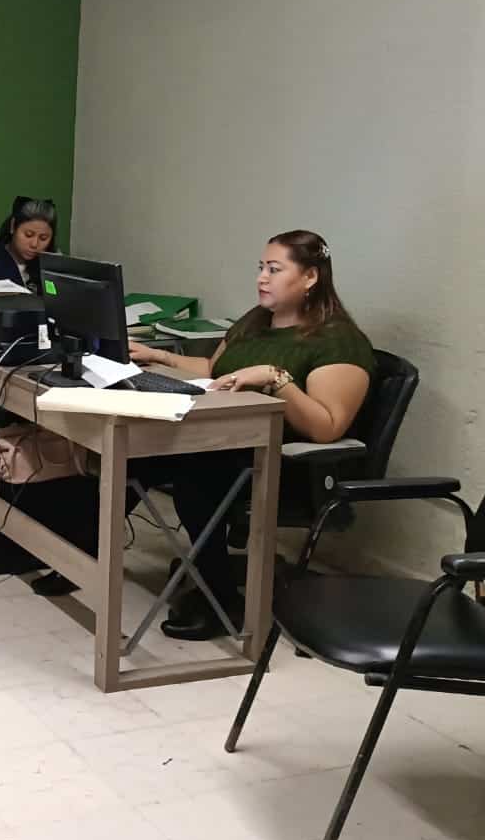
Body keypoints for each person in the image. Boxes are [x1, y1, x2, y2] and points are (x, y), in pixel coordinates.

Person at [127, 229, 374, 639]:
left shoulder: (339, 342)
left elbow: (327, 426)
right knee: (135, 451)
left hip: (286, 463)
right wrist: (157, 356)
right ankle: (78, 552)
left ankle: (219, 600)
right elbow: (215, 372)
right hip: (228, 442)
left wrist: (275, 378)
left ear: (310, 277)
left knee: (195, 471)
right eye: (261, 268)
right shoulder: (256, 321)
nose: (262, 278)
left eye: (275, 269)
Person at [0, 196, 58, 292]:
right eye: (28, 235)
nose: (34, 244)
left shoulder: (49, 265)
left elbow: (55, 296)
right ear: (13, 226)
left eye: (43, 238)